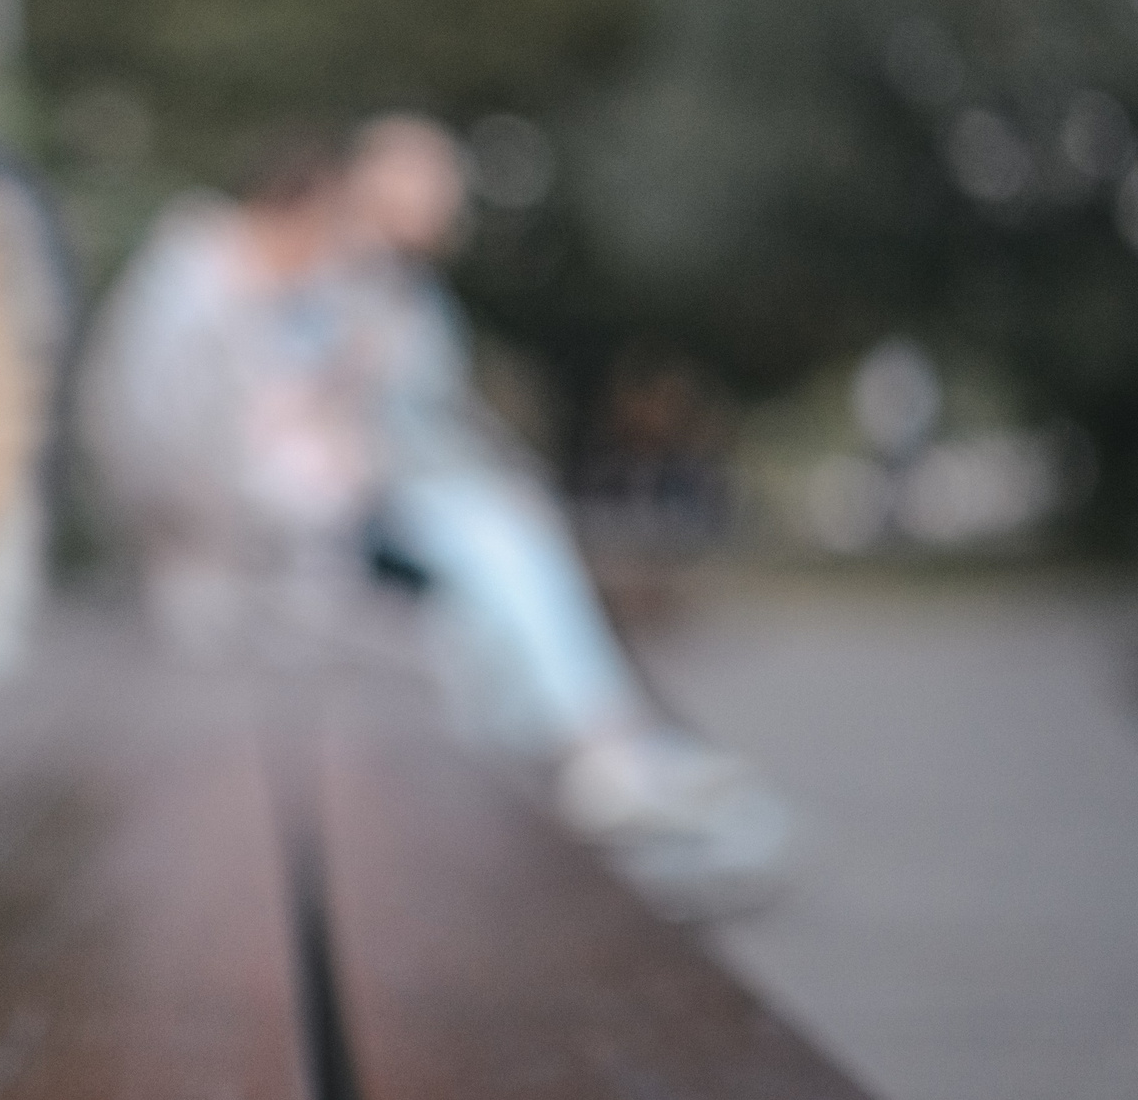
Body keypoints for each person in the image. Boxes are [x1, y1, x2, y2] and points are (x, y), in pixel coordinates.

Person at [335, 116, 790, 917]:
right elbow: (334, 419)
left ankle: (612, 748)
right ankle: (603, 748)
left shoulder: (411, 289)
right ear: (370, 182)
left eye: (445, 186)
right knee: (498, 538)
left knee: (512, 531)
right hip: (365, 512)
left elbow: (438, 416)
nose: (444, 202)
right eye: (425, 182)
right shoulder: (342, 278)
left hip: (422, 501)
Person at [77, 129, 379, 659]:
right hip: (189, 517)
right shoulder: (197, 276)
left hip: (220, 523)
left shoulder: (262, 289)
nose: (332, 250)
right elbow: (156, 423)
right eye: (331, 229)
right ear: (300, 211)